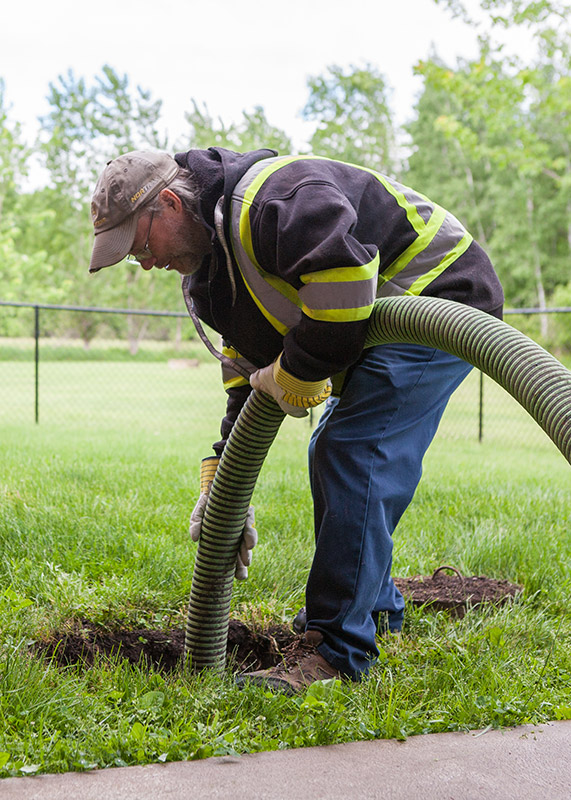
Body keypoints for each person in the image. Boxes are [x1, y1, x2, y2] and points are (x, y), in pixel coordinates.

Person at [89, 147, 504, 694]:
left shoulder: (272, 200)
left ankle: (338, 651)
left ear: (168, 204)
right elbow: (247, 372)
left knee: (352, 450)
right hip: (367, 322)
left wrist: (300, 369)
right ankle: (374, 613)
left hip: (437, 292)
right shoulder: (209, 279)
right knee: (331, 449)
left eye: (140, 245)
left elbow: (348, 277)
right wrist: (224, 472)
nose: (143, 263)